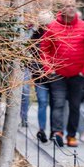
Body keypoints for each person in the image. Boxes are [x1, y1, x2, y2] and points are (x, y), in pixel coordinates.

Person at [40, 0, 84, 148]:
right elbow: (44, 49)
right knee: (58, 104)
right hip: (57, 74)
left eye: (72, 5)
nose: (70, 8)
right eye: (67, 6)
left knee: (74, 106)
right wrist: (49, 69)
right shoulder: (52, 27)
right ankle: (57, 133)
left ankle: (71, 135)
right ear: (62, 9)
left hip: (77, 75)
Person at [32, 9, 55, 143]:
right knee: (42, 102)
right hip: (39, 75)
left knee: (54, 103)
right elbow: (31, 55)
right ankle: (42, 129)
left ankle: (54, 130)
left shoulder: (56, 34)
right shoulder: (35, 36)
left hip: (53, 75)